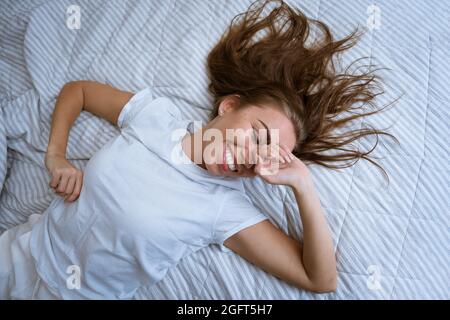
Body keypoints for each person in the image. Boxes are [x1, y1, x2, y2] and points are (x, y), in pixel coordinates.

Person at [0, 0, 396, 299]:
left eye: (269, 155)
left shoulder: (223, 207)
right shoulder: (155, 116)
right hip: (17, 250)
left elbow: (320, 280)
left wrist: (303, 185)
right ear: (229, 106)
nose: (253, 156)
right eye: (257, 134)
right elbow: (80, 91)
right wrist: (56, 156)